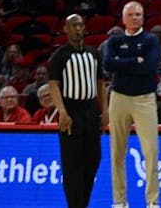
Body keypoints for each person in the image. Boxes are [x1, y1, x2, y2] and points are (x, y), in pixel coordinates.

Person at [103, 1, 161, 208]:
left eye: (139, 14)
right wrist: (134, 61)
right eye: (132, 14)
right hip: (118, 98)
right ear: (124, 18)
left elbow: (150, 66)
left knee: (151, 151)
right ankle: (119, 201)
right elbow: (108, 64)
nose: (136, 17)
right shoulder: (114, 41)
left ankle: (152, 201)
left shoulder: (151, 40)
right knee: (117, 152)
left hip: (144, 99)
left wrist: (124, 63)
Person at [47, 13, 108, 208]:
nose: (78, 28)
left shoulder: (93, 53)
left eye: (81, 25)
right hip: (71, 111)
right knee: (72, 164)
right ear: (65, 28)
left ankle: (82, 203)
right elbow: (53, 85)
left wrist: (105, 110)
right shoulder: (59, 56)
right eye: (74, 25)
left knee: (94, 157)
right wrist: (62, 112)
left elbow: (101, 84)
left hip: (90, 110)